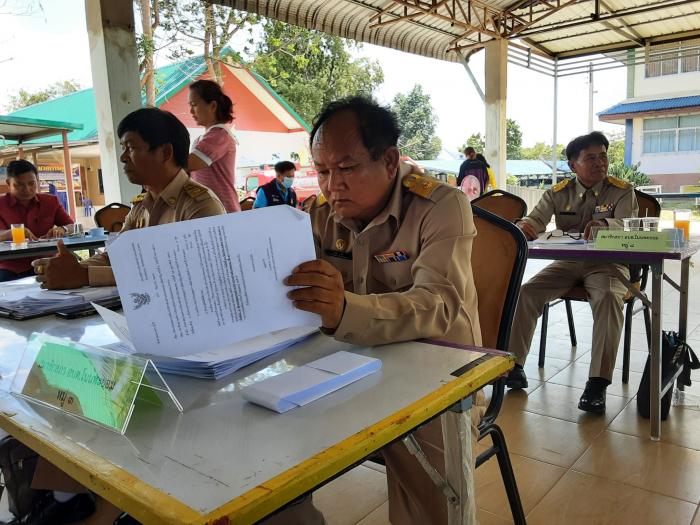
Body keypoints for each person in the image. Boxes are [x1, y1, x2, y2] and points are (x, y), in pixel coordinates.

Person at [283, 97, 482, 524]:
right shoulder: (318, 215)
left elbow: (439, 305)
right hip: (344, 363)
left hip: (439, 372)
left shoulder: (441, 205)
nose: (332, 185)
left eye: (347, 168)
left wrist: (343, 310)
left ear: (389, 161)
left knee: (429, 470)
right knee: (261, 432)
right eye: (321, 171)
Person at [506, 131, 639, 413]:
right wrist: (523, 227)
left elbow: (632, 226)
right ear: (572, 165)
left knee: (606, 297)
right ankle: (514, 365)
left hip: (609, 264)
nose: (599, 163)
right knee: (527, 292)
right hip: (567, 263)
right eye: (590, 157)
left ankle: (597, 384)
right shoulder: (558, 192)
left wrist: (607, 226)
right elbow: (536, 220)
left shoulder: (622, 190)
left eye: (603, 156)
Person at [33, 107, 225, 290]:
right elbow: (117, 256)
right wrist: (68, 269)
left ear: (166, 152)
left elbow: (185, 274)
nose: (123, 157)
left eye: (131, 147)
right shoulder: (141, 206)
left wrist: (84, 275)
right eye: (123, 148)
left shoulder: (200, 206)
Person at [0, 159, 73, 281]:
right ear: (8, 183)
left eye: (31, 183)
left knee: (73, 281)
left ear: (37, 181)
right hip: (11, 266)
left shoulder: (50, 202)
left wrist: (62, 229)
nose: (27, 189)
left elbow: (71, 225)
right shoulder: (1, 205)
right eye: (19, 185)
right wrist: (13, 233)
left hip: (48, 261)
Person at [187, 79, 240, 213]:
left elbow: (189, 164)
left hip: (224, 210)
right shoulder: (201, 139)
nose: (191, 111)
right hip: (209, 209)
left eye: (194, 104)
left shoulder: (219, 135)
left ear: (213, 106)